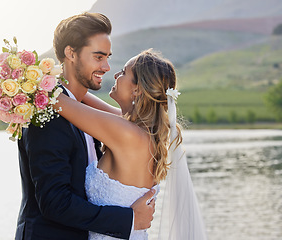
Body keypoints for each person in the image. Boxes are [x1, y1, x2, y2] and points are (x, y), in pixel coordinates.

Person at [15, 12, 156, 240]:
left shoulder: (85, 114)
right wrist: (128, 220)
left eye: (108, 57)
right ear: (71, 53)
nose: (108, 67)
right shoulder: (46, 113)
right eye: (99, 57)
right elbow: (54, 202)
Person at [55, 49, 207, 239]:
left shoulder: (127, 133)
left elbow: (57, 100)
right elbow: (79, 95)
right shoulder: (138, 130)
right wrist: (66, 71)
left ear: (137, 89)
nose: (116, 75)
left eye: (123, 72)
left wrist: (26, 75)